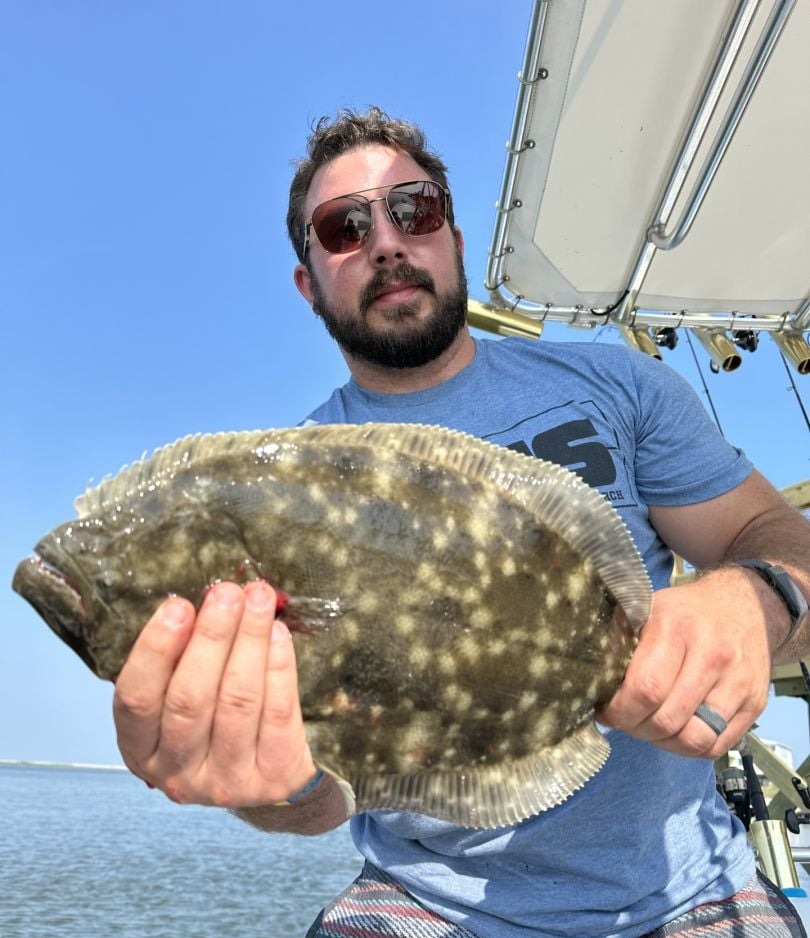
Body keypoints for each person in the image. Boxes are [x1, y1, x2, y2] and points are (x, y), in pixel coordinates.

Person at [112, 107, 810, 938]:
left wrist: (757, 597)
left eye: (414, 210)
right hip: (426, 899)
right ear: (308, 282)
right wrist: (273, 786)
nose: (385, 243)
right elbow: (325, 796)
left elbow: (771, 538)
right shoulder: (284, 493)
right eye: (343, 228)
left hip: (689, 892)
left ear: (454, 236)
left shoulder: (620, 387)